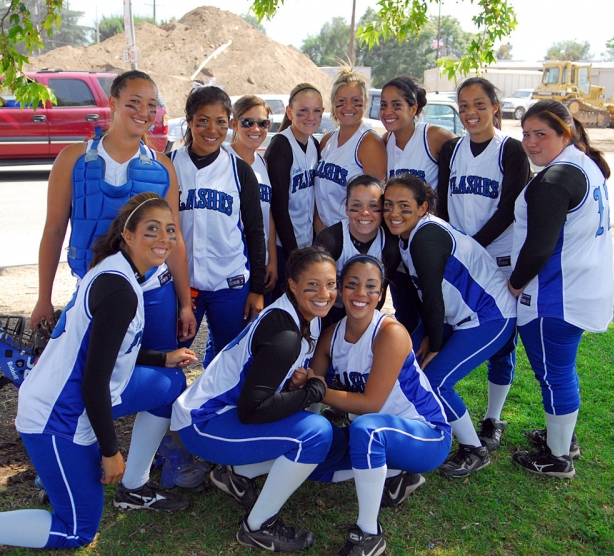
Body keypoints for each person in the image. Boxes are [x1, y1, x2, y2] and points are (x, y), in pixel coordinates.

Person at [0, 193, 197, 549]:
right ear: (129, 234)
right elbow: (93, 382)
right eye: (152, 230)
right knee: (77, 531)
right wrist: (110, 452)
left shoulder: (117, 270)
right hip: (59, 416)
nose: (164, 239)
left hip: (85, 393)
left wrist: (162, 359)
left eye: (170, 230)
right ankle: (68, 471)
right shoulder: (120, 289)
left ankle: (134, 487)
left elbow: (106, 353)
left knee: (170, 383)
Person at [171, 246, 347, 552]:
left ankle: (237, 475)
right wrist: (311, 392)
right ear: (292, 284)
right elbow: (251, 411)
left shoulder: (308, 315)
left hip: (219, 413)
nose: (324, 293)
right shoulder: (286, 335)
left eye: (330, 284)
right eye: (312, 285)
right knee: (316, 433)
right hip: (203, 423)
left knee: (312, 420)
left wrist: (299, 388)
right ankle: (258, 526)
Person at [30, 70, 196, 345]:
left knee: (157, 373)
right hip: (96, 289)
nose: (144, 112)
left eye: (152, 106)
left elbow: (173, 237)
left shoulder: (163, 167)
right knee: (94, 377)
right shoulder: (73, 159)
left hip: (152, 290)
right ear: (113, 103)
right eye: (134, 102)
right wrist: (43, 299)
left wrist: (185, 304)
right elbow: (54, 230)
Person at [309, 255, 451, 556]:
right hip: (379, 432)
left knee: (366, 429)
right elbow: (311, 387)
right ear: (340, 290)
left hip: (427, 436)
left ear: (381, 293)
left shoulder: (390, 333)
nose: (361, 294)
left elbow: (370, 404)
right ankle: (400, 474)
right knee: (314, 464)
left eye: (371, 287)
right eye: (352, 285)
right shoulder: (331, 336)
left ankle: (369, 534)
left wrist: (318, 390)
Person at [383, 174, 516, 478]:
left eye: (404, 206)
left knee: (435, 379)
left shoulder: (426, 236)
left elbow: (431, 296)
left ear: (423, 207)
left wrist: (434, 342)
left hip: (491, 315)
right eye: (388, 205)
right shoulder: (407, 234)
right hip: (456, 316)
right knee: (402, 361)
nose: (394, 213)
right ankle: (411, 427)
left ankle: (473, 449)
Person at [508, 100, 613, 478]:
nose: (531, 143)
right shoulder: (584, 164)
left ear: (564, 135)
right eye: (525, 134)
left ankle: (557, 458)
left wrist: (516, 281)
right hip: (580, 287)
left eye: (541, 135)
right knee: (560, 371)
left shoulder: (554, 180)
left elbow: (539, 248)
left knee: (554, 374)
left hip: (555, 295)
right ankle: (562, 438)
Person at [436, 77, 531, 452]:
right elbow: (443, 202)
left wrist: (468, 246)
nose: (470, 112)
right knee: (448, 326)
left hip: (498, 259)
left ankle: (493, 417)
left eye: (478, 104)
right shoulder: (452, 150)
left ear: (495, 107)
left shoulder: (510, 150)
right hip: (461, 259)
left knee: (503, 341)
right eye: (463, 106)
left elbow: (509, 208)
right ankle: (439, 402)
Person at [172, 84, 266, 367]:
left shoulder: (240, 171)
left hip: (230, 283)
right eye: (202, 121)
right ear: (188, 121)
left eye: (221, 123)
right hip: (182, 282)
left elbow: (255, 232)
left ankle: (221, 407)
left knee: (231, 359)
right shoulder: (170, 164)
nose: (211, 130)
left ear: (231, 125)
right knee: (174, 351)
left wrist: (257, 289)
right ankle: (166, 405)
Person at [379, 76, 457, 344]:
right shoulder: (384, 142)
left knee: (434, 317)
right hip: (400, 248)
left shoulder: (434, 137)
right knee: (407, 319)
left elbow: (453, 188)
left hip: (428, 249)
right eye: (384, 105)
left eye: (397, 105)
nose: (388, 111)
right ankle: (408, 377)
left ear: (414, 109)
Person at [314, 174, 400, 325]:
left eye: (373, 206)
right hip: (328, 310)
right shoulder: (330, 240)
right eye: (356, 205)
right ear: (346, 208)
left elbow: (380, 293)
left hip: (364, 311)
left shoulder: (390, 245)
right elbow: (316, 291)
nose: (365, 213)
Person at [264, 83, 324, 300]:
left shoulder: (314, 145)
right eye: (302, 111)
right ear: (289, 112)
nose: (310, 117)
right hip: (284, 248)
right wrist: (293, 256)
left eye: (316, 111)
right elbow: (278, 207)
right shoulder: (281, 145)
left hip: (304, 244)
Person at [314, 69, 387, 231]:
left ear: (365, 102)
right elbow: (319, 199)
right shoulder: (327, 141)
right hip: (326, 236)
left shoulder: (369, 143)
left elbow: (375, 206)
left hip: (354, 238)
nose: (348, 107)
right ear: (333, 103)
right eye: (341, 101)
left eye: (355, 101)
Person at [228, 95, 278, 305]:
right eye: (247, 122)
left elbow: (268, 216)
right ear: (234, 124)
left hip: (258, 260)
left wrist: (272, 260)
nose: (255, 129)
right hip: (231, 262)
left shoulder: (262, 163)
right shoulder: (223, 158)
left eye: (263, 123)